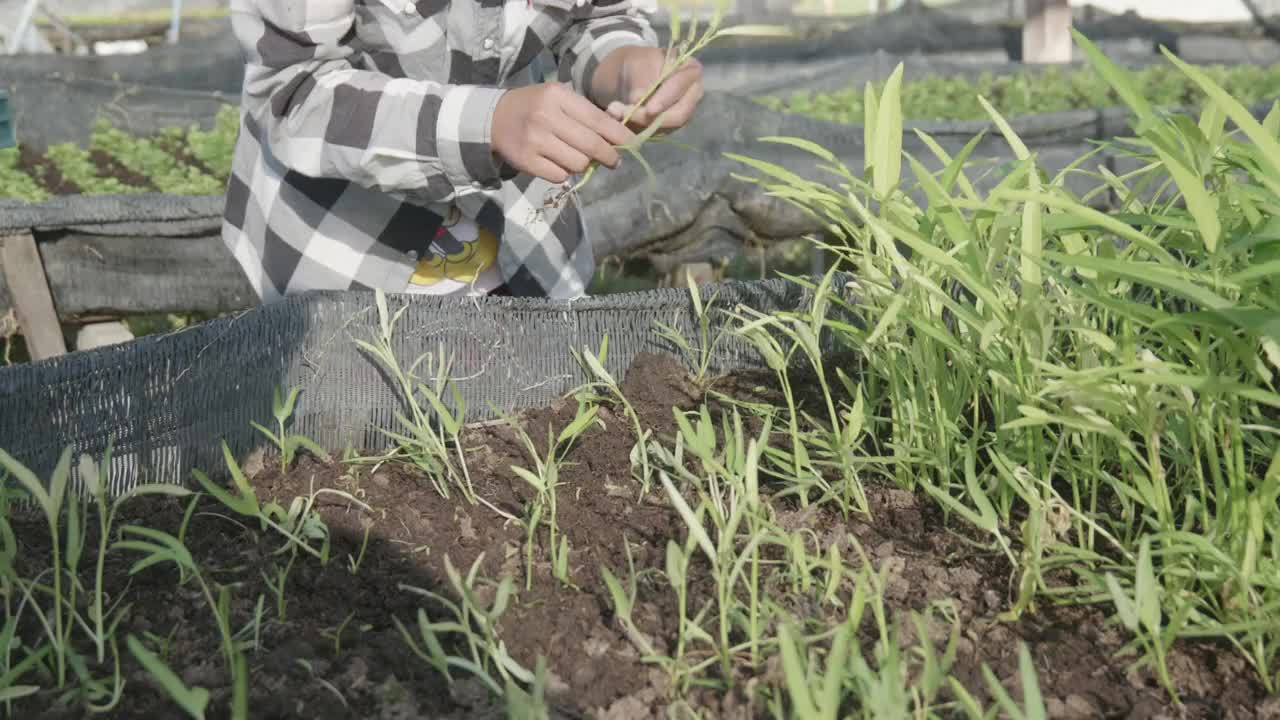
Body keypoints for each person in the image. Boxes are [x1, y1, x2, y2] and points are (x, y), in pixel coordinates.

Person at [221, 0, 704, 301]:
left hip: (525, 238)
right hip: (347, 259)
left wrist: (623, 65)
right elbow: (298, 90)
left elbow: (596, 16)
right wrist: (487, 124)